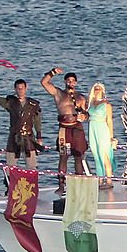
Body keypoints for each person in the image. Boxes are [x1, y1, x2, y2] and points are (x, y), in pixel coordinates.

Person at [41, 67, 88, 195]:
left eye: (73, 81)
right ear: (65, 82)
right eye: (68, 80)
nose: (70, 83)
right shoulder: (59, 94)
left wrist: (85, 116)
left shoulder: (81, 98)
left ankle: (80, 184)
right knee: (63, 157)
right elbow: (44, 83)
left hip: (77, 128)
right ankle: (61, 185)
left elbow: (87, 113)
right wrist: (52, 72)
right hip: (64, 128)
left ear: (76, 83)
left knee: (79, 156)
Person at [0, 77, 42, 170]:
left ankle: (32, 183)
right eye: (18, 89)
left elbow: (37, 121)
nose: (20, 91)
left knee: (31, 165)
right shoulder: (11, 103)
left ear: (26, 88)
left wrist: (39, 136)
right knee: (11, 165)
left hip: (28, 137)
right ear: (15, 89)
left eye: (22, 88)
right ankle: (10, 182)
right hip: (14, 136)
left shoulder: (33, 104)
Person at [86, 82, 116, 189]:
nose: (97, 90)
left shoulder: (106, 104)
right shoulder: (90, 103)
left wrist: (111, 137)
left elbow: (109, 121)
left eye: (99, 88)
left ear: (103, 91)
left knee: (104, 155)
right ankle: (100, 179)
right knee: (96, 154)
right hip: (92, 128)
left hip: (102, 129)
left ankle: (109, 180)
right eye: (95, 88)